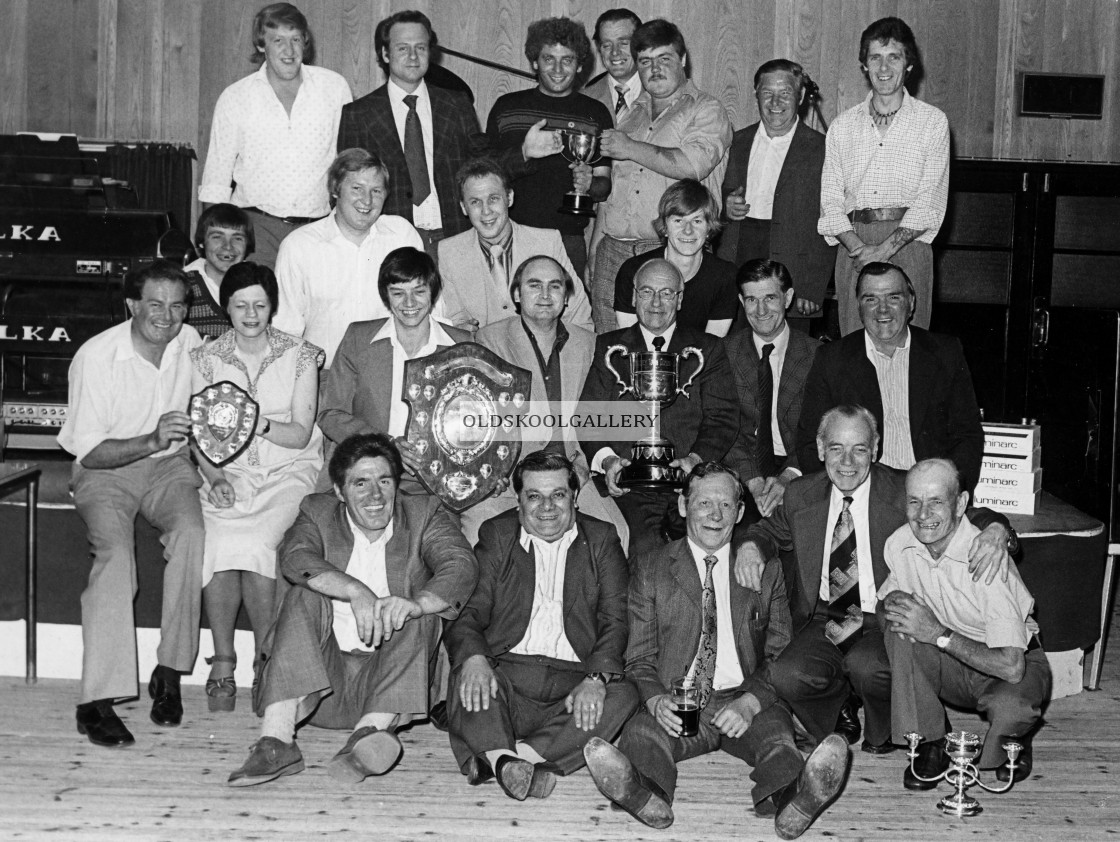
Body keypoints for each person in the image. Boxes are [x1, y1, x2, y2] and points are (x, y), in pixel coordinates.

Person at [582, 462, 850, 839]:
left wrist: (752, 702)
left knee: (778, 738)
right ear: (682, 506)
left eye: (726, 506)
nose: (715, 515)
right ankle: (643, 794)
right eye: (704, 503)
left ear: (740, 513)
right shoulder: (652, 567)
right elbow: (639, 657)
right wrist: (658, 699)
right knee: (642, 734)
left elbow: (780, 654)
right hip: (681, 701)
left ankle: (796, 799)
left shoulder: (764, 569)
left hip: (742, 698)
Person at [735, 405, 1013, 754]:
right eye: (836, 448)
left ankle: (892, 730)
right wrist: (750, 546)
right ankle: (838, 708)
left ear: (876, 449)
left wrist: (997, 529)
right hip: (827, 615)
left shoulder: (900, 490)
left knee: (869, 668)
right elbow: (770, 531)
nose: (847, 461)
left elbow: (962, 511)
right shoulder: (801, 494)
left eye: (860, 449)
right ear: (820, 450)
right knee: (786, 675)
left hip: (881, 616)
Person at [228, 433, 478, 787]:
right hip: (317, 686)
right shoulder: (316, 511)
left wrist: (415, 603)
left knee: (414, 611)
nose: (375, 496)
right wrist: (355, 591)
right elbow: (295, 556)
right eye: (360, 483)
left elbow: (460, 564)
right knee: (305, 595)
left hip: (387, 689)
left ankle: (365, 739)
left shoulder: (423, 513)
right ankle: (276, 741)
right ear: (339, 491)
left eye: (384, 481)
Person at [59, 261, 204, 747]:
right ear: (131, 306)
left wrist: (215, 470)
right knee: (116, 556)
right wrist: (149, 439)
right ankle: (95, 702)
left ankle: (169, 671)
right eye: (156, 304)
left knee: (192, 534)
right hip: (107, 469)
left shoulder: (190, 345)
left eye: (178, 305)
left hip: (168, 465)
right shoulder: (96, 357)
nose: (167, 316)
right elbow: (90, 451)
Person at [445, 452, 638, 800]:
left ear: (575, 498)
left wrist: (596, 679)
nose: (546, 507)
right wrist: (474, 658)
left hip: (573, 685)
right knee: (466, 673)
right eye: (534, 496)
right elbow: (468, 613)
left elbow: (616, 620)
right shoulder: (497, 535)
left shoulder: (602, 539)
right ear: (518, 499)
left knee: (622, 694)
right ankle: (524, 761)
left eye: (558, 495)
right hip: (507, 677)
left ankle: (506, 760)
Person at [189, 262, 324, 712]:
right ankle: (223, 662)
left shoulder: (302, 354)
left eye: (260, 305)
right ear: (226, 307)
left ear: (273, 307)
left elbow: (300, 433)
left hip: (287, 472)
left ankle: (267, 660)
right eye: (241, 305)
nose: (251, 314)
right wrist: (215, 477)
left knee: (262, 541)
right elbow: (199, 432)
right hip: (229, 474)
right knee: (220, 540)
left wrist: (254, 420)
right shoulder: (206, 358)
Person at [880, 459, 1050, 788]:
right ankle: (929, 740)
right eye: (914, 501)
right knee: (901, 622)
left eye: (936, 501)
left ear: (960, 504)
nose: (923, 514)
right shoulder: (898, 543)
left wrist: (938, 634)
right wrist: (890, 607)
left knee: (1011, 709)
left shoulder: (986, 560)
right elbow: (889, 599)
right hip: (953, 663)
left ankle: (1017, 739)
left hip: (1010, 664)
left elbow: (1012, 668)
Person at [579, 259, 738, 556]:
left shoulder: (707, 349)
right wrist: (609, 462)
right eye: (647, 292)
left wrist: (695, 461)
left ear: (679, 300)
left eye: (666, 293)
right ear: (633, 297)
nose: (655, 303)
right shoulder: (609, 347)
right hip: (630, 486)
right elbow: (589, 417)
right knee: (644, 550)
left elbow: (723, 417)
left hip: (693, 483)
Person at [470, 255, 630, 547]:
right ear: (517, 294)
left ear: (566, 297)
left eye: (554, 286)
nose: (545, 295)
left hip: (574, 474)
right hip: (512, 477)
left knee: (615, 535)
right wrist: (496, 471)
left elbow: (598, 415)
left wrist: (589, 465)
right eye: (535, 285)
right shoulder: (489, 340)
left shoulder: (589, 343)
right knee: (482, 539)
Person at [590, 18, 733, 333]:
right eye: (645, 61)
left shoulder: (706, 109)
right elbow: (613, 194)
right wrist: (595, 250)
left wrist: (630, 147)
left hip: (674, 250)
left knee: (670, 352)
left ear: (682, 60)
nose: (653, 69)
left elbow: (692, 166)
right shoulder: (629, 116)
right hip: (612, 250)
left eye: (664, 59)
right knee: (610, 348)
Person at [794, 263, 984, 493]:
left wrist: (950, 491)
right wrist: (839, 497)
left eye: (893, 297)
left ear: (911, 302)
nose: (882, 310)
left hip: (929, 490)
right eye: (871, 299)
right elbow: (810, 441)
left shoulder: (945, 353)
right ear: (859, 306)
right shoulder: (831, 359)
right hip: (863, 493)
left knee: (996, 527)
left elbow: (967, 436)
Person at [817, 17, 949, 334]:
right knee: (855, 348)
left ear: (909, 65)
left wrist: (884, 251)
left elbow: (930, 202)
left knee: (910, 348)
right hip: (854, 245)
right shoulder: (842, 125)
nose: (884, 67)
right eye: (875, 57)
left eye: (894, 57)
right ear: (864, 65)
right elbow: (830, 203)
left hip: (909, 244)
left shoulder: (932, 122)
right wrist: (859, 248)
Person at [198, 3, 352, 268]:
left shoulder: (334, 88)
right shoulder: (235, 97)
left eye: (295, 39)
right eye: (278, 40)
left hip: (317, 230)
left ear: (305, 42)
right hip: (255, 231)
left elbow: (348, 163)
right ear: (261, 45)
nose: (289, 51)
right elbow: (216, 179)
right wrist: (212, 251)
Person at [335, 10, 490, 259]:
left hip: (455, 239)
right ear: (385, 54)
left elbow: (483, 168)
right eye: (402, 48)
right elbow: (345, 189)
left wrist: (523, 152)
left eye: (420, 47)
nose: (413, 57)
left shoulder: (458, 105)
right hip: (388, 242)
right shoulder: (358, 114)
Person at [318, 246, 471, 493]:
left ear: (433, 292)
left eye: (419, 291)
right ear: (385, 296)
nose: (409, 303)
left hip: (435, 484)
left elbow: (480, 422)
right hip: (362, 473)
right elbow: (330, 414)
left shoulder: (463, 345)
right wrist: (385, 444)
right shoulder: (358, 338)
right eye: (398, 293)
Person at [272, 149, 429, 369]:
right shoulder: (299, 246)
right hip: (323, 376)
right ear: (336, 189)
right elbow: (285, 331)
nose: (367, 200)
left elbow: (429, 308)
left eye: (376, 191)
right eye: (357, 188)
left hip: (390, 372)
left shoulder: (401, 235)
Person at [485, 17, 614, 277]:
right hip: (508, 235)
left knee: (570, 317)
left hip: (568, 240)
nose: (557, 68)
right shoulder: (506, 108)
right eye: (548, 59)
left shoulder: (596, 113)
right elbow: (483, 177)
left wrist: (590, 184)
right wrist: (524, 152)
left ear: (579, 65)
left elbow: (603, 187)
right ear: (534, 61)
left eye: (567, 60)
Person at [717, 59, 834, 327]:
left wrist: (811, 287)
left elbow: (831, 220)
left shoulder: (822, 149)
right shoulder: (736, 141)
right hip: (739, 256)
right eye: (767, 93)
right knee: (735, 350)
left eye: (785, 93)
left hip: (793, 268)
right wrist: (726, 206)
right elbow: (715, 198)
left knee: (791, 357)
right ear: (756, 94)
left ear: (801, 95)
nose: (775, 102)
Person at [438, 158, 593, 333]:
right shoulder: (448, 252)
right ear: (463, 208)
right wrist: (461, 329)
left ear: (509, 198)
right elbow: (456, 320)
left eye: (493, 198)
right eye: (475, 202)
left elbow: (579, 316)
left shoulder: (547, 243)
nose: (486, 210)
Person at [723, 259, 819, 524]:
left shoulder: (817, 355)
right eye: (752, 300)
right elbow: (723, 426)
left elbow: (821, 428)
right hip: (743, 469)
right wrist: (753, 482)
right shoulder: (724, 353)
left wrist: (789, 475)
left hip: (801, 467)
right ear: (742, 302)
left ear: (787, 298)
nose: (761, 310)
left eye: (770, 298)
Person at [612, 179, 738, 337]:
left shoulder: (725, 276)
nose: (688, 230)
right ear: (664, 227)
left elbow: (712, 347)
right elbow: (629, 341)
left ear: (709, 229)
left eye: (697, 221)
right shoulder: (633, 271)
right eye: (678, 221)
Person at [185, 204, 254, 338]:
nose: (228, 246)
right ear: (201, 242)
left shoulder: (260, 284)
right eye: (217, 237)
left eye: (238, 238)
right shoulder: (183, 285)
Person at [584, 9, 643, 120]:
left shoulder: (660, 92)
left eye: (623, 43)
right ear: (599, 48)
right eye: (607, 45)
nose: (615, 52)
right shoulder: (585, 98)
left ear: (640, 44)